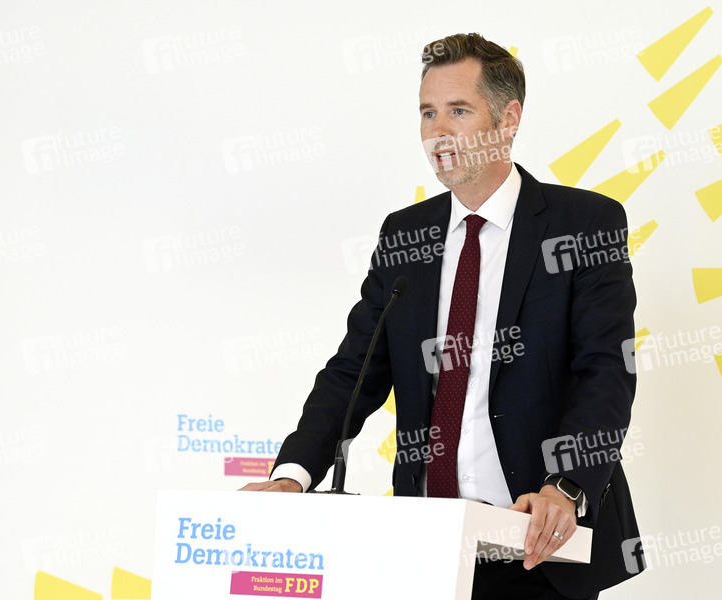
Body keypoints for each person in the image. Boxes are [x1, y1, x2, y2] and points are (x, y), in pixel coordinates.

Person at [241, 32, 642, 599]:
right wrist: (293, 476)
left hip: (539, 544)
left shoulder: (583, 224)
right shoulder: (405, 235)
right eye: (428, 113)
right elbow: (354, 371)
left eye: (458, 110)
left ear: (508, 119)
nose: (437, 132)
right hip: (426, 547)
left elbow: (605, 369)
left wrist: (567, 486)